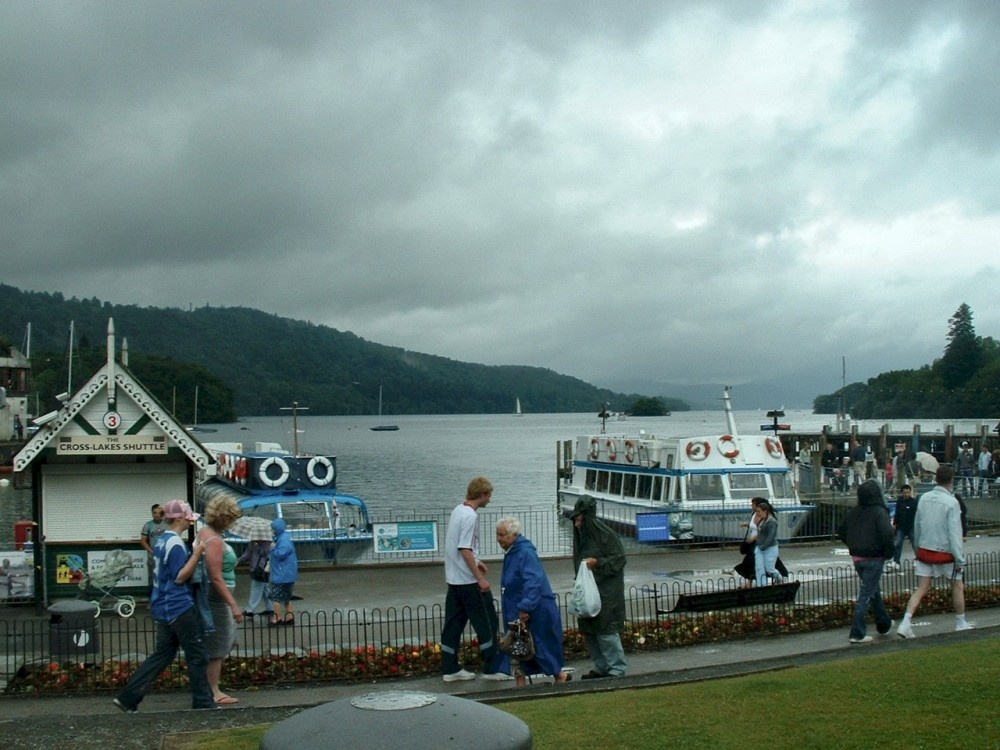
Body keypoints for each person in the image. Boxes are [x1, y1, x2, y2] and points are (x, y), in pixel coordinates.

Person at [114, 500, 215, 712]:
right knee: (197, 655)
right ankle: (204, 702)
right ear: (178, 518)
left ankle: (128, 697)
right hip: (178, 605)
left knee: (163, 654)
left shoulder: (161, 539)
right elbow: (180, 578)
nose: (190, 522)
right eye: (188, 518)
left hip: (161, 605)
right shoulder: (176, 543)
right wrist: (196, 555)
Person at [440, 476, 507, 682]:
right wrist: (480, 578)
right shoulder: (470, 516)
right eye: (489, 495)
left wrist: (477, 560)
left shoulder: (457, 510)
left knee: (454, 624)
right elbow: (464, 548)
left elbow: (459, 546)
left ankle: (450, 668)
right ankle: (491, 667)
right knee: (487, 622)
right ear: (482, 494)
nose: (490, 499)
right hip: (469, 581)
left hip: (454, 579)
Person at [896, 466, 974, 638]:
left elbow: (917, 524)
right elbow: (954, 533)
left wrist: (918, 547)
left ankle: (906, 622)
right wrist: (959, 559)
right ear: (951, 480)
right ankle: (960, 622)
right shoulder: (952, 502)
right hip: (946, 552)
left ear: (936, 478)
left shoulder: (924, 498)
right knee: (957, 586)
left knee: (922, 588)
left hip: (925, 549)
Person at [494, 516, 571, 686]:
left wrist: (525, 607)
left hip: (532, 609)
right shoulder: (517, 551)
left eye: (502, 535)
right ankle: (552, 677)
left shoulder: (524, 553)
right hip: (524, 607)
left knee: (531, 645)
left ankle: (555, 677)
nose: (499, 539)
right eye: (497, 535)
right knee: (525, 646)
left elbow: (533, 581)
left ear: (513, 535)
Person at [571, 495, 627, 679]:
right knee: (590, 630)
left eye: (579, 520)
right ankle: (601, 666)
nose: (577, 524)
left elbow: (619, 559)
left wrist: (598, 563)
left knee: (606, 630)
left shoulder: (606, 535)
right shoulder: (581, 537)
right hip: (589, 589)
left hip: (606, 590)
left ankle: (616, 668)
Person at [197, 496, 244, 705]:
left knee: (217, 642)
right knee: (219, 644)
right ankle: (214, 691)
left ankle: (210, 688)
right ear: (224, 518)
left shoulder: (204, 532)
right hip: (217, 600)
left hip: (211, 597)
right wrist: (233, 604)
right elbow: (215, 576)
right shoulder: (214, 541)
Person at [837, 480, 896, 643]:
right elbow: (887, 534)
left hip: (857, 556)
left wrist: (852, 544)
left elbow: (841, 530)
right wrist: (888, 552)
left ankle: (883, 623)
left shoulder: (854, 512)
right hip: (875, 556)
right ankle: (857, 632)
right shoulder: (879, 512)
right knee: (866, 593)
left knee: (872, 590)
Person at [734, 497, 788, 585]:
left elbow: (767, 533)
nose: (751, 506)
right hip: (758, 545)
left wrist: (757, 541)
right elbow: (757, 528)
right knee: (757, 566)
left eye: (753, 504)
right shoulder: (757, 516)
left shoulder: (769, 520)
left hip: (765, 545)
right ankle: (760, 584)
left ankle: (778, 576)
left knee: (768, 566)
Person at [268, 518, 299, 626]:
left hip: (281, 574)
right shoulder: (283, 538)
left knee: (275, 597)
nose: (272, 530)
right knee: (286, 597)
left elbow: (280, 554)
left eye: (273, 529)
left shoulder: (283, 539)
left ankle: (276, 618)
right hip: (288, 574)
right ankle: (290, 617)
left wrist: (272, 548)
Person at [237, 538, 271, 618]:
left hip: (262, 568)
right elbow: (247, 555)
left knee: (256, 588)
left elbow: (265, 553)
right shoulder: (252, 543)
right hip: (255, 568)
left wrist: (258, 545)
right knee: (265, 589)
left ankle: (250, 610)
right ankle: (270, 608)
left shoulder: (268, 543)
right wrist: (238, 560)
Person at [888, 484, 918, 570]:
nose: (907, 494)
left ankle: (918, 559)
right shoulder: (899, 501)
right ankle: (896, 561)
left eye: (908, 492)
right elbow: (897, 513)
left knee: (915, 544)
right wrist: (895, 523)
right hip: (901, 526)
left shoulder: (914, 502)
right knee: (898, 543)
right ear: (902, 493)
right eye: (905, 493)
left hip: (911, 526)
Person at [139, 504, 169, 590]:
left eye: (159, 513)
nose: (156, 515)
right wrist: (151, 551)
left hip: (164, 556)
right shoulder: (148, 525)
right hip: (152, 557)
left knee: (164, 578)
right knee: (152, 579)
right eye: (154, 513)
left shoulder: (167, 524)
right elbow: (143, 541)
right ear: (152, 513)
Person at [753, 500, 781, 587]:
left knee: (769, 569)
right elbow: (759, 532)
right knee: (759, 568)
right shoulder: (761, 520)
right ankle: (761, 586)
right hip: (759, 548)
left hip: (770, 548)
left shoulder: (772, 522)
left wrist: (764, 546)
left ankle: (778, 577)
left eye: (759, 511)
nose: (757, 513)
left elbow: (771, 536)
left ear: (765, 511)